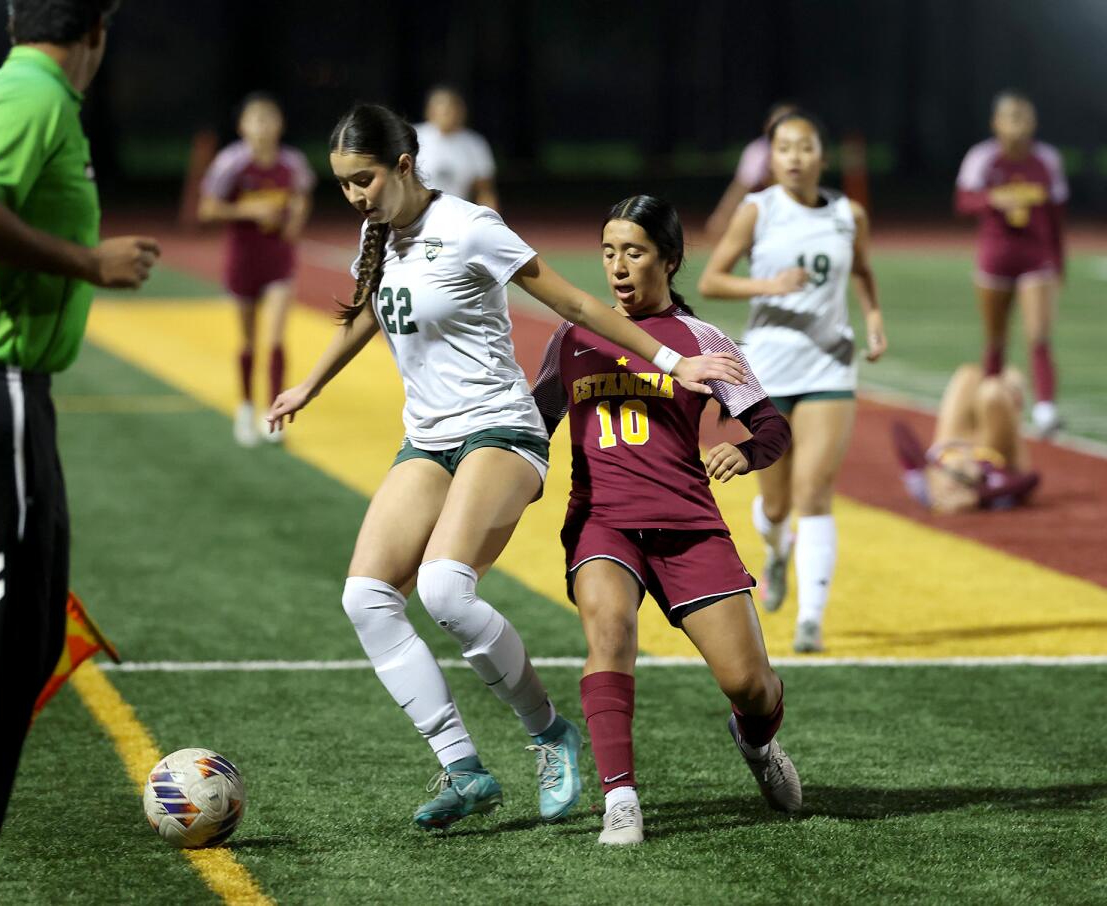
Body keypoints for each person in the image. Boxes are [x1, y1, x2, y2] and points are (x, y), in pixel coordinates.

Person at [266, 104, 742, 831]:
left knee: (444, 590)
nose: (355, 197)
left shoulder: (471, 226)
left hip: (501, 429)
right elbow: (374, 308)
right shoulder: (380, 234)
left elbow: (576, 301)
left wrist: (673, 358)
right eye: (342, 185)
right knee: (364, 598)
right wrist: (311, 383)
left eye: (363, 180)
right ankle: (463, 767)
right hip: (427, 439)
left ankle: (550, 734)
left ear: (402, 166)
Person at [0, 2, 159, 901]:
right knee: (0, 656)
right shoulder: (33, 97)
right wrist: (87, 263)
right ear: (94, 30)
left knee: (18, 649)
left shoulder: (12, 92)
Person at [532, 195, 799, 846]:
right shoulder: (572, 336)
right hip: (603, 521)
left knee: (750, 684)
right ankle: (619, 797)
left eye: (635, 252)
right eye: (608, 252)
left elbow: (771, 427)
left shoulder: (700, 340)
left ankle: (757, 743)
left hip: (687, 524)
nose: (618, 267)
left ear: (670, 260)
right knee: (610, 629)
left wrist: (741, 448)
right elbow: (532, 424)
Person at [697, 109, 887, 654]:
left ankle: (811, 619)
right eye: (784, 149)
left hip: (829, 365)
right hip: (768, 372)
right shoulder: (758, 211)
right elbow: (711, 279)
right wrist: (769, 284)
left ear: (822, 157)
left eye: (805, 148)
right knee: (776, 506)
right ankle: (776, 550)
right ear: (771, 157)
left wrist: (872, 319)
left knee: (814, 492)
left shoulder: (850, 213)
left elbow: (864, 272)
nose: (795, 158)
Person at [199, 92, 315, 446]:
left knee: (277, 338)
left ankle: (274, 412)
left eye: (270, 120)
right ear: (243, 126)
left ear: (280, 125)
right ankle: (246, 407)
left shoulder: (292, 162)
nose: (263, 128)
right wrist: (248, 212)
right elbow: (207, 209)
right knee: (249, 340)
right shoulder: (231, 162)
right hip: (243, 261)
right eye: (256, 120)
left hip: (278, 261)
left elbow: (302, 196)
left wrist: (296, 218)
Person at [954, 91, 1067, 438]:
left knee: (1040, 336)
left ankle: (1045, 408)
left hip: (1036, 257)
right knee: (996, 339)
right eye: (1011, 117)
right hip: (995, 256)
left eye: (1024, 117)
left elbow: (1056, 213)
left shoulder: (1046, 159)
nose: (1018, 125)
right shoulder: (983, 157)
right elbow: (963, 201)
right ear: (996, 123)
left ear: (1034, 122)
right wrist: (992, 199)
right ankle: (990, 403)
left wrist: (1060, 261)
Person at [892, 364, 1039, 514]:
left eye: (955, 473)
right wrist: (977, 496)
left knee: (967, 375)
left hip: (951, 441)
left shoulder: (926, 488)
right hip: (991, 448)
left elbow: (898, 429)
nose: (962, 465)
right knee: (992, 394)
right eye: (962, 475)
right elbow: (1030, 480)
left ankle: (999, 363)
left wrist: (927, 469)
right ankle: (1011, 390)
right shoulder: (991, 481)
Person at [703, 102, 797, 243]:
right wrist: (721, 216)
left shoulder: (804, 150)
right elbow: (741, 186)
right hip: (766, 218)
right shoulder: (758, 151)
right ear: (767, 125)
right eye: (778, 122)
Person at [414, 86, 498, 209]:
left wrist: (491, 218)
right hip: (417, 214)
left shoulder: (474, 143)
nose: (449, 115)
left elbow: (484, 190)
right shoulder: (413, 137)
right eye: (444, 111)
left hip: (458, 213)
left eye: (453, 110)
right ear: (430, 111)